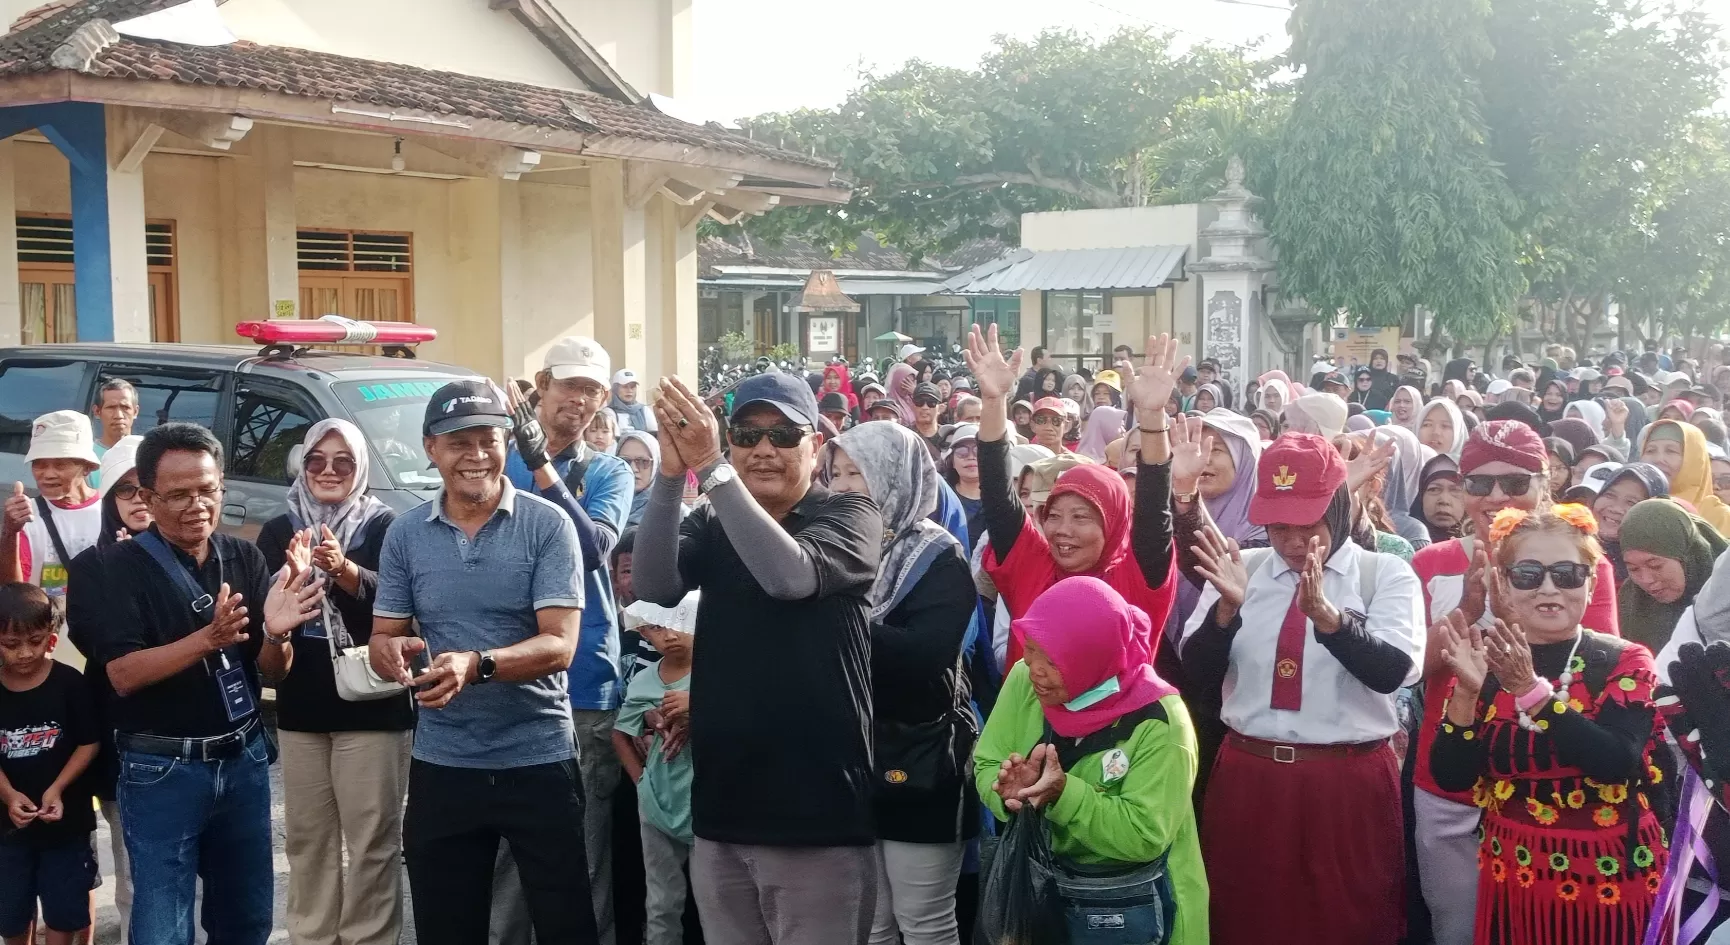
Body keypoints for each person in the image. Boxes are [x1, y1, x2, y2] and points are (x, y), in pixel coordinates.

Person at [633, 371, 886, 945]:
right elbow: (652, 584)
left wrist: (716, 468)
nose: (764, 450)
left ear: (815, 446)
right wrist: (673, 476)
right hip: (723, 807)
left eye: (784, 435)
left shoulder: (849, 515)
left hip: (816, 812)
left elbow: (789, 577)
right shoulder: (712, 519)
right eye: (746, 435)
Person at [368, 379, 594, 945]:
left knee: (566, 925)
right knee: (446, 928)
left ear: (508, 444)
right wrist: (390, 651)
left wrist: (477, 664)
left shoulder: (548, 525)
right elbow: (384, 635)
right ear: (430, 448)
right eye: (457, 442)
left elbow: (560, 644)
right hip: (444, 762)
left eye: (487, 440)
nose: (475, 455)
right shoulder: (405, 534)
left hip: (538, 754)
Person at [1183, 432, 1424, 945]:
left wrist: (1334, 624)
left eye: (1309, 525)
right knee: (1244, 914)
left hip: (1347, 779)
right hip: (1252, 775)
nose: (1293, 542)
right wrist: (1225, 612)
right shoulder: (1241, 568)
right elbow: (1196, 674)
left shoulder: (1383, 574)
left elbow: (1394, 671)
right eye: (1278, 527)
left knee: (1351, 917)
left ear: (1338, 508)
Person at [93, 422, 324, 945]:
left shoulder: (244, 557)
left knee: (246, 920)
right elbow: (122, 676)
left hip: (242, 762)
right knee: (163, 929)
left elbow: (271, 670)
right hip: (161, 768)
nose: (197, 504)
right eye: (178, 494)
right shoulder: (109, 568)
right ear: (148, 497)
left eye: (208, 489)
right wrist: (209, 638)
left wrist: (277, 634)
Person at [1408, 420, 1621, 945]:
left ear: (1545, 485)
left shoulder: (1580, 566)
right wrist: (1468, 608)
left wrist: (1517, 619)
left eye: (1515, 482)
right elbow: (1411, 668)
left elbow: (1596, 674)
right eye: (1479, 483)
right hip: (1450, 779)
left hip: (1550, 782)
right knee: (1455, 929)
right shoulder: (1431, 562)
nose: (1496, 496)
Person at [1429, 506, 1667, 945]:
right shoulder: (1490, 657)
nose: (1548, 588)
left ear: (1591, 582)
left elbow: (1617, 761)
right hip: (1514, 878)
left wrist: (1529, 690)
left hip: (1610, 882)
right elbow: (1453, 776)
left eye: (1567, 574)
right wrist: (1465, 692)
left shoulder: (1623, 659)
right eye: (1528, 574)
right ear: (1502, 582)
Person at [974, 577, 1209, 945]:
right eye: (1031, 648)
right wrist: (1010, 796)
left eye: (1053, 659)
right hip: (1042, 898)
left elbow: (1145, 835)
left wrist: (1062, 795)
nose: (1035, 668)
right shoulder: (1025, 681)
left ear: (1092, 657)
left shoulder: (1160, 721)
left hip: (1137, 910)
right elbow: (986, 762)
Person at [822, 422, 979, 945]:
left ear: (894, 476)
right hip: (850, 758)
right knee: (872, 923)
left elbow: (924, 658)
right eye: (835, 473)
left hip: (920, 758)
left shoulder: (939, 557)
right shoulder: (833, 553)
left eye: (857, 473)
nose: (842, 485)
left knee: (924, 921)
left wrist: (837, 618)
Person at [256, 420, 412, 945]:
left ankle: (369, 938)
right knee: (307, 839)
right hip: (302, 703)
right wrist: (295, 578)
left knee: (371, 840)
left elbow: (398, 604)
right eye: (316, 460)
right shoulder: (280, 529)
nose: (327, 470)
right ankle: (312, 936)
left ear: (360, 468)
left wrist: (342, 569)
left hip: (372, 702)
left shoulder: (387, 526)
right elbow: (270, 614)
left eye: (342, 461)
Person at [503, 337, 635, 944]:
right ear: (540, 386)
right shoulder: (493, 459)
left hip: (582, 678)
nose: (578, 401)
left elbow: (594, 550)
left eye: (591, 391)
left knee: (584, 845)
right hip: (503, 671)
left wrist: (541, 466)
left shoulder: (608, 470)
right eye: (568, 386)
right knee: (508, 850)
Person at [968, 326, 1180, 668]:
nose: (1062, 529)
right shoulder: (1034, 568)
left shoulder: (1136, 580)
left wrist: (1153, 418)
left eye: (1081, 517)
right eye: (1054, 515)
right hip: (1029, 721)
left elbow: (1155, 511)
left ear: (1113, 525)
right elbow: (997, 496)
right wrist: (993, 403)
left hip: (1115, 722)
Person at [61, 434, 146, 943]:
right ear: (110, 499)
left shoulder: (201, 554)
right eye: (125, 490)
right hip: (121, 735)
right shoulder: (91, 566)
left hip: (192, 738)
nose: (138, 501)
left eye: (146, 488)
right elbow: (95, 642)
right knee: (131, 863)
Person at [0, 582, 99, 945]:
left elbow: (89, 743)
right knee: (11, 915)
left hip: (66, 827)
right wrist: (9, 795)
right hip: (7, 832)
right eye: (11, 644)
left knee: (64, 912)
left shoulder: (70, 683)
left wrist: (57, 788)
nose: (24, 652)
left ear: (52, 640)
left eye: (36, 640)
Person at [612, 593, 700, 945]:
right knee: (662, 901)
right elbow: (621, 734)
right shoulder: (645, 681)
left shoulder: (721, 674)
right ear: (645, 634)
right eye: (657, 629)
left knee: (716, 901)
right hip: (657, 803)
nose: (669, 636)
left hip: (707, 802)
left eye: (680, 625)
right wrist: (641, 783)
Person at [1, 412, 103, 626]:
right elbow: (14, 594)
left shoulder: (111, 512)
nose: (47, 474)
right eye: (39, 464)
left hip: (99, 639)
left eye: (60, 464)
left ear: (87, 467)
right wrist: (11, 532)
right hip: (45, 642)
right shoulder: (27, 517)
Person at [1618, 497, 1726, 660]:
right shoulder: (1632, 600)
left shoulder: (1725, 588)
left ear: (1686, 556)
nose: (1646, 579)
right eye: (1633, 569)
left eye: (1655, 566)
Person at [1640, 419, 1730, 535]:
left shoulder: (1719, 517)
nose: (1659, 459)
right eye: (1650, 450)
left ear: (1694, 460)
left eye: (1671, 451)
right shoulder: (1631, 503)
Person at [1590, 464, 1669, 581]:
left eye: (1631, 502)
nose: (1616, 509)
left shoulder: (1651, 570)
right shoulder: (1574, 546)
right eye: (1609, 495)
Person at [1413, 454, 1466, 545]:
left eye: (1456, 490)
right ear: (1421, 495)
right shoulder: (1406, 540)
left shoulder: (1482, 544)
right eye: (1434, 489)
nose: (1444, 501)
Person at [616, 431, 662, 529]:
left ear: (656, 465)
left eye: (643, 461)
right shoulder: (603, 505)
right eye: (624, 461)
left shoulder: (671, 511)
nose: (633, 469)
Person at [91, 377, 139, 459]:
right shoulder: (86, 458)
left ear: (135, 411)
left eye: (125, 407)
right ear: (97, 411)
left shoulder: (149, 457)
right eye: (111, 407)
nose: (119, 415)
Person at [610, 369, 659, 436]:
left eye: (632, 387)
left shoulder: (644, 410)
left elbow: (654, 436)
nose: (629, 390)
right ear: (615, 389)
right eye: (625, 386)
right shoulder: (609, 412)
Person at [911, 383, 945, 458]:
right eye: (920, 402)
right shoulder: (905, 435)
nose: (925, 407)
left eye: (931, 403)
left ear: (940, 408)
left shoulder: (948, 436)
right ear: (913, 406)